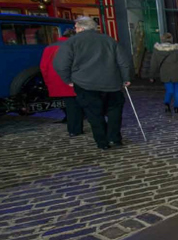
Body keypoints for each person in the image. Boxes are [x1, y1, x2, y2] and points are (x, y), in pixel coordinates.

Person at [53, 16, 131, 150]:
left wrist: (68, 80)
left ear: (81, 28)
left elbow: (60, 64)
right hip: (111, 83)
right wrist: (125, 78)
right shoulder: (108, 40)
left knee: (94, 114)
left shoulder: (72, 42)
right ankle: (114, 138)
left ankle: (102, 142)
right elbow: (123, 62)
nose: (75, 30)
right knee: (114, 111)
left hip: (85, 84)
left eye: (76, 27)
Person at [40, 28, 83, 136]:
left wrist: (48, 81)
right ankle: (75, 129)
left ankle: (73, 128)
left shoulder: (50, 47)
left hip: (55, 79)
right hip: (71, 78)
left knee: (70, 104)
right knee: (76, 104)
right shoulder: (73, 46)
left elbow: (43, 66)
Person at [147, 33, 178, 113]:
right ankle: (176, 107)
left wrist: (151, 76)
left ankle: (167, 103)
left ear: (162, 40)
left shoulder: (157, 51)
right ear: (171, 40)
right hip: (177, 73)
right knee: (177, 90)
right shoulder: (175, 50)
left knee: (169, 90)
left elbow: (153, 64)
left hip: (165, 74)